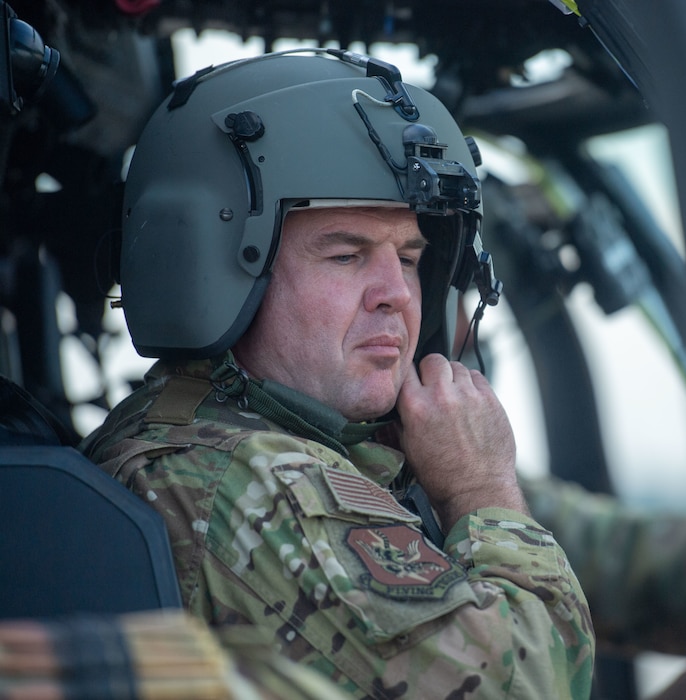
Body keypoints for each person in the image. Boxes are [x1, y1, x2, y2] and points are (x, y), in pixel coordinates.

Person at [79, 49, 594, 698]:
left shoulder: (326, 446)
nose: (397, 295)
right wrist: (480, 491)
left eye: (409, 258)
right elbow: (518, 689)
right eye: (348, 255)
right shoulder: (248, 481)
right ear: (217, 271)